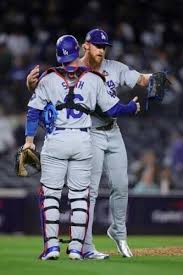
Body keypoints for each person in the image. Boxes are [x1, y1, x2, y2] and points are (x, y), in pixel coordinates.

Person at [26, 28, 151, 259]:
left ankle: (59, 246)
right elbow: (112, 108)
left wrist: (29, 140)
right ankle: (80, 248)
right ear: (83, 47)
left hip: (86, 134)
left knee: (58, 194)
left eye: (104, 47)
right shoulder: (90, 77)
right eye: (98, 46)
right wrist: (132, 107)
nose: (102, 50)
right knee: (83, 194)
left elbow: (35, 108)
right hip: (86, 136)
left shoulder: (54, 75)